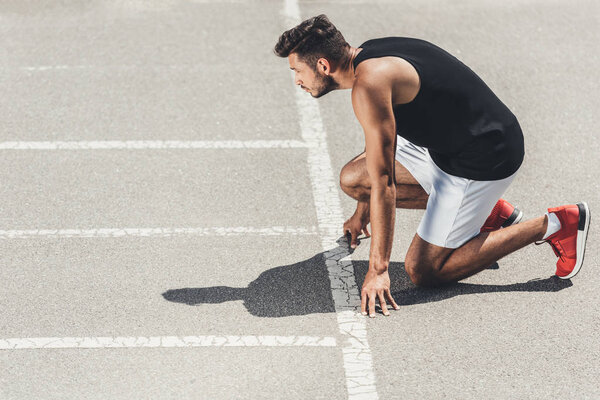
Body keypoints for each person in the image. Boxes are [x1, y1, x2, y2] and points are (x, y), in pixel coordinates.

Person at [273, 14, 590, 318]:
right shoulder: (368, 57)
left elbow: (384, 182)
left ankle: (557, 224)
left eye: (297, 71)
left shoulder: (368, 84)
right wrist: (362, 211)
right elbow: (377, 161)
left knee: (423, 271)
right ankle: (490, 213)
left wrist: (378, 270)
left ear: (324, 65)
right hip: (448, 146)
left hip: (485, 157)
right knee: (355, 179)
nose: (298, 80)